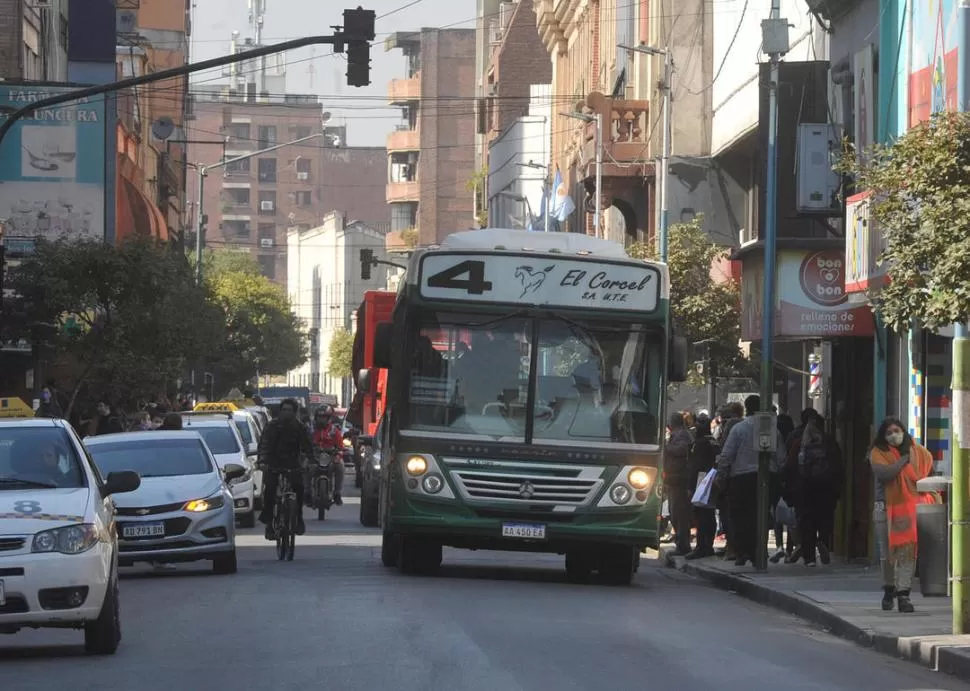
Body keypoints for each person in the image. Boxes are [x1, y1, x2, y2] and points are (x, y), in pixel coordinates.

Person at [870, 417, 937, 613]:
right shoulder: (878, 453)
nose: (893, 435)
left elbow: (929, 474)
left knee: (908, 553)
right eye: (889, 432)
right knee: (888, 554)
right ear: (883, 436)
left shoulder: (920, 453)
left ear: (904, 431)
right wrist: (903, 460)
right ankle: (889, 588)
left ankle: (904, 594)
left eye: (896, 430)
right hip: (885, 509)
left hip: (911, 509)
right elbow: (885, 474)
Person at [716, 395, 786, 567]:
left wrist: (721, 475)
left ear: (746, 408)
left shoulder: (739, 429)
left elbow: (727, 455)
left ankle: (743, 552)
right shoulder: (773, 430)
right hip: (766, 477)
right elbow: (781, 458)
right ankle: (758, 551)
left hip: (741, 478)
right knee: (760, 515)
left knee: (740, 516)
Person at [257, 398, 313, 539]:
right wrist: (263, 462)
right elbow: (264, 445)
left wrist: (310, 462)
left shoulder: (300, 427)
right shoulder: (272, 426)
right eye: (284, 410)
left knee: (299, 488)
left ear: (295, 412)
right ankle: (269, 524)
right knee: (270, 490)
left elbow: (308, 448)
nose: (286, 413)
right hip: (273, 463)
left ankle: (298, 519)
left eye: (289, 410)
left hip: (292, 464)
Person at [686, 414, 717, 559]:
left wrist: (690, 486)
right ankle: (708, 546)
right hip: (713, 479)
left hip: (702, 480)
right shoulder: (714, 441)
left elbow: (694, 466)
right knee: (709, 515)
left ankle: (701, 546)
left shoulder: (700, 443)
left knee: (701, 515)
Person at [663, 412, 694, 556]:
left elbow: (682, 450)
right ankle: (681, 544)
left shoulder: (682, 435)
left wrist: (665, 448)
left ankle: (683, 545)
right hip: (673, 479)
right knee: (674, 513)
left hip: (680, 480)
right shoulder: (678, 434)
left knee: (679, 514)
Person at [311, 405, 345, 505]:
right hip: (315, 457)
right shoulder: (311, 430)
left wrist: (338, 456)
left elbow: (340, 447)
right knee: (305, 466)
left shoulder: (334, 431)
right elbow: (305, 444)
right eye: (319, 417)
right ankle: (307, 492)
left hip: (330, 457)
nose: (321, 419)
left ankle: (337, 493)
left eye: (324, 417)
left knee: (341, 466)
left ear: (329, 418)